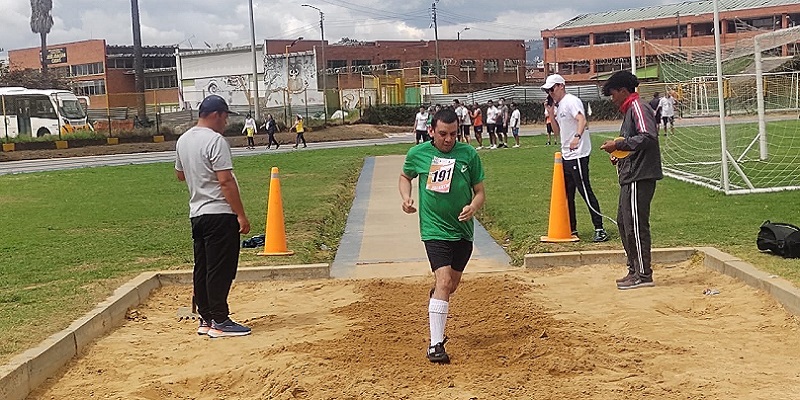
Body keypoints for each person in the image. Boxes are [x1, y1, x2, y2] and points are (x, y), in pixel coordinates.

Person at [398, 108, 485, 364]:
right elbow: (405, 176)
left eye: (454, 134)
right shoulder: (418, 154)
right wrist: (406, 198)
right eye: (443, 134)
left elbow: (480, 191)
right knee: (445, 281)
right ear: (431, 131)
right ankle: (435, 345)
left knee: (449, 286)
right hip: (434, 229)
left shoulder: (468, 154)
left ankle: (437, 297)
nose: (448, 140)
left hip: (462, 231)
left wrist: (474, 206)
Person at [174, 94, 252, 338]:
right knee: (221, 267)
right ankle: (220, 319)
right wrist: (241, 215)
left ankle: (206, 318)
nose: (226, 123)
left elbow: (180, 174)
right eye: (225, 117)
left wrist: (198, 174)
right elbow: (225, 180)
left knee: (203, 266)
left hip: (197, 213)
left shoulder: (184, 140)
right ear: (217, 114)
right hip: (219, 212)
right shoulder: (216, 141)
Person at [599, 70, 663, 290]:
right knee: (624, 222)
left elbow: (647, 137)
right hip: (630, 175)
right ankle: (634, 269)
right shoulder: (629, 111)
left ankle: (644, 274)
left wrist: (618, 145)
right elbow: (633, 142)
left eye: (613, 93)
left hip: (640, 175)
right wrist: (619, 156)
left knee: (635, 225)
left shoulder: (638, 107)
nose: (611, 99)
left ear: (624, 91)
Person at [542, 74, 609, 242]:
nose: (550, 93)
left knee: (585, 191)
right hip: (566, 155)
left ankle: (599, 228)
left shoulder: (571, 101)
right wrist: (551, 113)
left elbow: (581, 119)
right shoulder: (558, 106)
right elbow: (557, 132)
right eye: (547, 91)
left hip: (578, 154)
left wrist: (577, 137)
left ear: (561, 86)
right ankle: (572, 228)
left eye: (552, 89)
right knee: (567, 195)